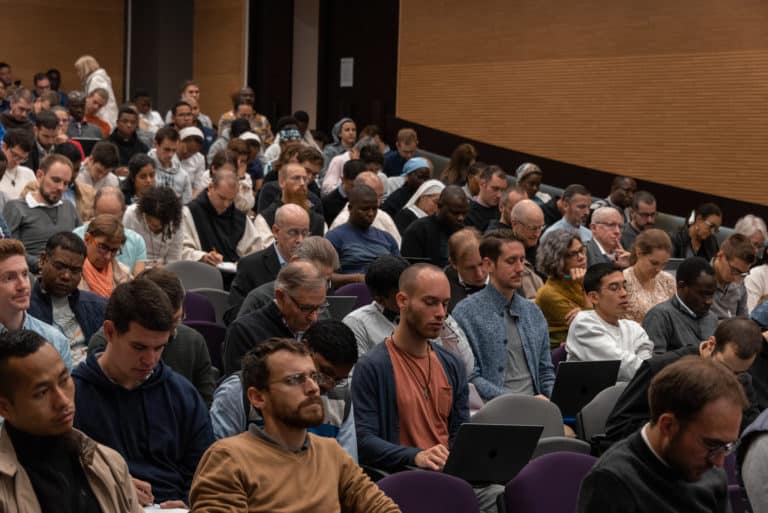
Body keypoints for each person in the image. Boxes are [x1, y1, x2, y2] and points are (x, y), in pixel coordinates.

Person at [191, 338, 399, 513]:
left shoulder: (331, 452)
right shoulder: (229, 458)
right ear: (257, 397)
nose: (313, 388)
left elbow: (383, 508)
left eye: (313, 377)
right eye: (295, 380)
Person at [73, 279, 213, 507]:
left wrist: (191, 501)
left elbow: (206, 470)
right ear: (110, 332)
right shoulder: (72, 396)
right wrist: (113, 486)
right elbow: (60, 476)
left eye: (159, 348)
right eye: (139, 347)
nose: (150, 360)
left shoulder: (182, 394)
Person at [578, 357, 747, 513]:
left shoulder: (709, 469)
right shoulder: (612, 481)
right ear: (668, 426)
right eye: (711, 445)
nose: (719, 461)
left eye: (726, 446)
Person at [0, 330, 144, 513]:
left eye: (64, 380)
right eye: (42, 393)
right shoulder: (5, 486)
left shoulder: (107, 463)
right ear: (4, 408)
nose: (63, 401)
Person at [210, 320, 358, 456]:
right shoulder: (239, 390)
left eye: (339, 380)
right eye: (324, 373)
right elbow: (219, 458)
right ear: (305, 348)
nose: (327, 385)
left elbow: (347, 467)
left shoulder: (342, 397)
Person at [87, 267, 216, 406]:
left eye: (176, 321)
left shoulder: (193, 341)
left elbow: (205, 405)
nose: (150, 361)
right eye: (139, 347)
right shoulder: (103, 344)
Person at [454, 232, 555, 400]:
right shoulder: (465, 313)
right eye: (511, 261)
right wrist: (521, 402)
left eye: (522, 260)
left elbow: (545, 370)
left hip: (538, 405)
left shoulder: (533, 311)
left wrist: (555, 400)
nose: (520, 268)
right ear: (488, 265)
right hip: (493, 410)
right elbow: (471, 378)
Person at [223, 260, 328, 375]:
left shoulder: (319, 330)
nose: (314, 318)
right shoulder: (244, 331)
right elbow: (240, 388)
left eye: (319, 307)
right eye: (306, 308)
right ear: (281, 297)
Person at [28, 232, 107, 365]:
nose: (66, 276)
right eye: (59, 267)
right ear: (42, 260)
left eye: (75, 271)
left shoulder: (98, 305)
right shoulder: (23, 309)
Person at [566, 263, 653, 381]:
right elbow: (620, 366)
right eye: (614, 288)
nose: (624, 293)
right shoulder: (584, 323)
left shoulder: (633, 328)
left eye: (624, 286)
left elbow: (647, 367)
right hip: (591, 398)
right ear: (594, 297)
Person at [226, 204, 310, 323]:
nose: (300, 240)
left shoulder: (313, 267)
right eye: (293, 232)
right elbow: (234, 316)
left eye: (305, 233)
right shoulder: (250, 266)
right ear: (276, 231)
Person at [0, 239, 72, 368]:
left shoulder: (55, 341)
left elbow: (65, 388)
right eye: (9, 278)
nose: (23, 285)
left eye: (25, 274)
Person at [4, 154, 81, 273]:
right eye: (56, 180)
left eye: (66, 183)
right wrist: (45, 266)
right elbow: (9, 251)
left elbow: (80, 245)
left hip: (68, 275)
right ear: (39, 175)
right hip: (32, 277)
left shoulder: (69, 207)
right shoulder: (16, 207)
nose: (60, 187)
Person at [236, 237, 339, 320]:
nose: (313, 317)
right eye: (316, 279)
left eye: (326, 281)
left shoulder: (319, 306)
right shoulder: (259, 300)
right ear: (295, 263)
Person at [182, 169, 263, 266]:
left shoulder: (241, 219)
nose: (226, 204)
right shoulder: (189, 212)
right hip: (199, 274)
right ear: (211, 187)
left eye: (231, 200)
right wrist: (202, 257)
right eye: (222, 198)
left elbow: (255, 251)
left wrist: (244, 263)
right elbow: (179, 249)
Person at [642, 257, 718, 353]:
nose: (709, 301)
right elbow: (654, 363)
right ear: (681, 286)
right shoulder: (659, 316)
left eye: (711, 294)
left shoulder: (712, 318)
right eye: (703, 294)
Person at [327, 184, 399, 277]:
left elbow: (401, 272)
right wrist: (355, 279)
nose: (371, 213)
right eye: (365, 209)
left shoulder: (387, 238)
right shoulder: (334, 237)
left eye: (374, 208)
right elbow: (324, 277)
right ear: (350, 208)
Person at [72, 186, 147, 275]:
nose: (108, 224)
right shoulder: (75, 237)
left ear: (124, 212)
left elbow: (138, 281)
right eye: (103, 247)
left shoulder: (136, 241)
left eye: (114, 250)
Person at [535, 229, 589, 348]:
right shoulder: (548, 294)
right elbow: (588, 328)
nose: (581, 257)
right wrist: (586, 287)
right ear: (557, 258)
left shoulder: (580, 278)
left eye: (581, 250)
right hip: (565, 354)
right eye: (572, 254)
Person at [401, 185, 469, 268]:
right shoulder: (417, 231)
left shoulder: (464, 233)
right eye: (455, 213)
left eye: (464, 213)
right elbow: (411, 269)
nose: (461, 218)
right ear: (439, 206)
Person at [329, 170, 402, 247]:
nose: (379, 202)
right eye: (375, 196)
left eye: (381, 196)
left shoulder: (384, 216)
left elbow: (398, 247)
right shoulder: (341, 222)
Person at [255, 162, 326, 239]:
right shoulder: (265, 219)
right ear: (282, 182)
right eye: (296, 178)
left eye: (305, 179)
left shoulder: (318, 221)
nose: (302, 183)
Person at [622, 228, 676, 323]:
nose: (658, 269)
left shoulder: (668, 280)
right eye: (654, 263)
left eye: (663, 264)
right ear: (639, 253)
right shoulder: (623, 281)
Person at [80, 214, 132, 297]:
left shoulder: (124, 275)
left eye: (114, 250)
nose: (108, 256)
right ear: (87, 239)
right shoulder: (72, 274)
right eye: (103, 247)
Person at [709, 233, 754, 320]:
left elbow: (743, 321)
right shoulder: (699, 279)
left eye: (742, 274)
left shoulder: (740, 282)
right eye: (734, 270)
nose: (736, 279)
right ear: (720, 255)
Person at [446, 228, 488, 311]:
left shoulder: (506, 276)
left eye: (481, 264)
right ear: (454, 264)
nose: (479, 274)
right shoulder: (442, 286)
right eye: (470, 268)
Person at [149, 127, 191, 203]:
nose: (170, 155)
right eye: (167, 149)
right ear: (155, 144)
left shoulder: (183, 175)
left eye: (174, 150)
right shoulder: (144, 168)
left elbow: (187, 205)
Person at [75, 55, 118, 128]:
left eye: (79, 70)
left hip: (103, 120)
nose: (78, 73)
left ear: (84, 69)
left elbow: (97, 105)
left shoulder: (97, 80)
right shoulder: (98, 78)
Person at [322, 158, 368, 225]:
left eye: (359, 186)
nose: (356, 190)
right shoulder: (327, 203)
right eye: (352, 186)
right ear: (343, 179)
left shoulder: (367, 199)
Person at [465, 165, 508, 232]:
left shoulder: (503, 211)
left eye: (503, 190)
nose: (499, 195)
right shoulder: (468, 213)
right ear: (482, 184)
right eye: (495, 189)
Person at [0, 128, 36, 199]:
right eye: (15, 155)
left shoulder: (28, 173)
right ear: (4, 146)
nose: (17, 162)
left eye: (23, 158)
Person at [177, 126, 206, 195]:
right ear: (178, 142)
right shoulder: (169, 154)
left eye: (192, 152)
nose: (186, 152)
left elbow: (197, 187)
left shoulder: (199, 158)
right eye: (185, 148)